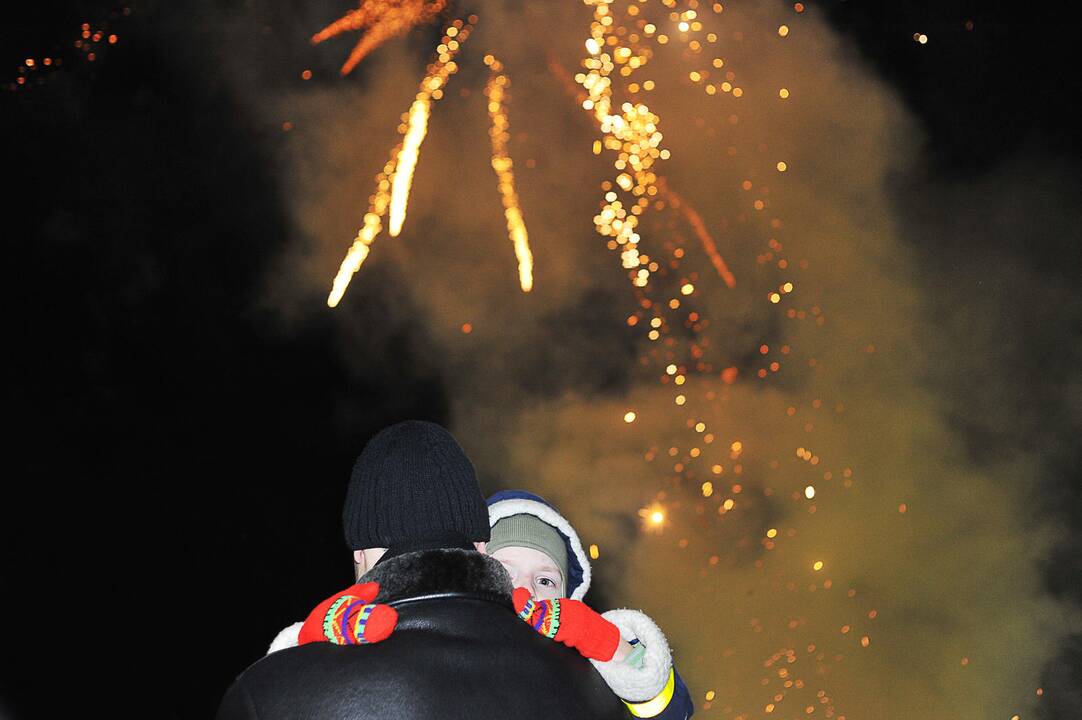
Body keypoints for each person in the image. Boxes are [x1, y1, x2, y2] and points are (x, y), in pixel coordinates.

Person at [216, 420, 631, 720]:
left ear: (360, 554)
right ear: (481, 545)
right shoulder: (595, 687)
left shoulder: (269, 694)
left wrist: (300, 656)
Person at [487, 490, 695, 720]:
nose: (527, 592)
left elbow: (671, 713)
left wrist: (610, 645)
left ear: (567, 598)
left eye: (545, 581)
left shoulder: (584, 668)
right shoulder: (444, 643)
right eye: (504, 573)